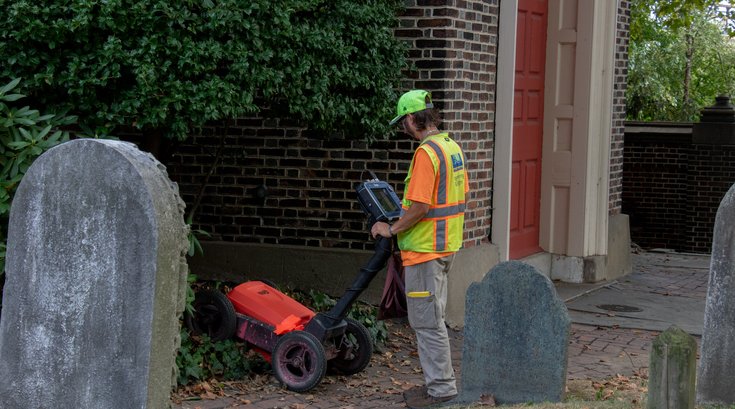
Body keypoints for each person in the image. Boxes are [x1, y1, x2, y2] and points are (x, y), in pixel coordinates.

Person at [371, 89, 468, 408]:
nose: (403, 128)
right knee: (433, 317)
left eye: (403, 122)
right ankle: (439, 386)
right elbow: (458, 195)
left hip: (426, 251)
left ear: (413, 118)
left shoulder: (426, 153)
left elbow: (421, 207)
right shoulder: (451, 147)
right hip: (445, 246)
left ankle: (441, 390)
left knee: (427, 322)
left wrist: (392, 228)